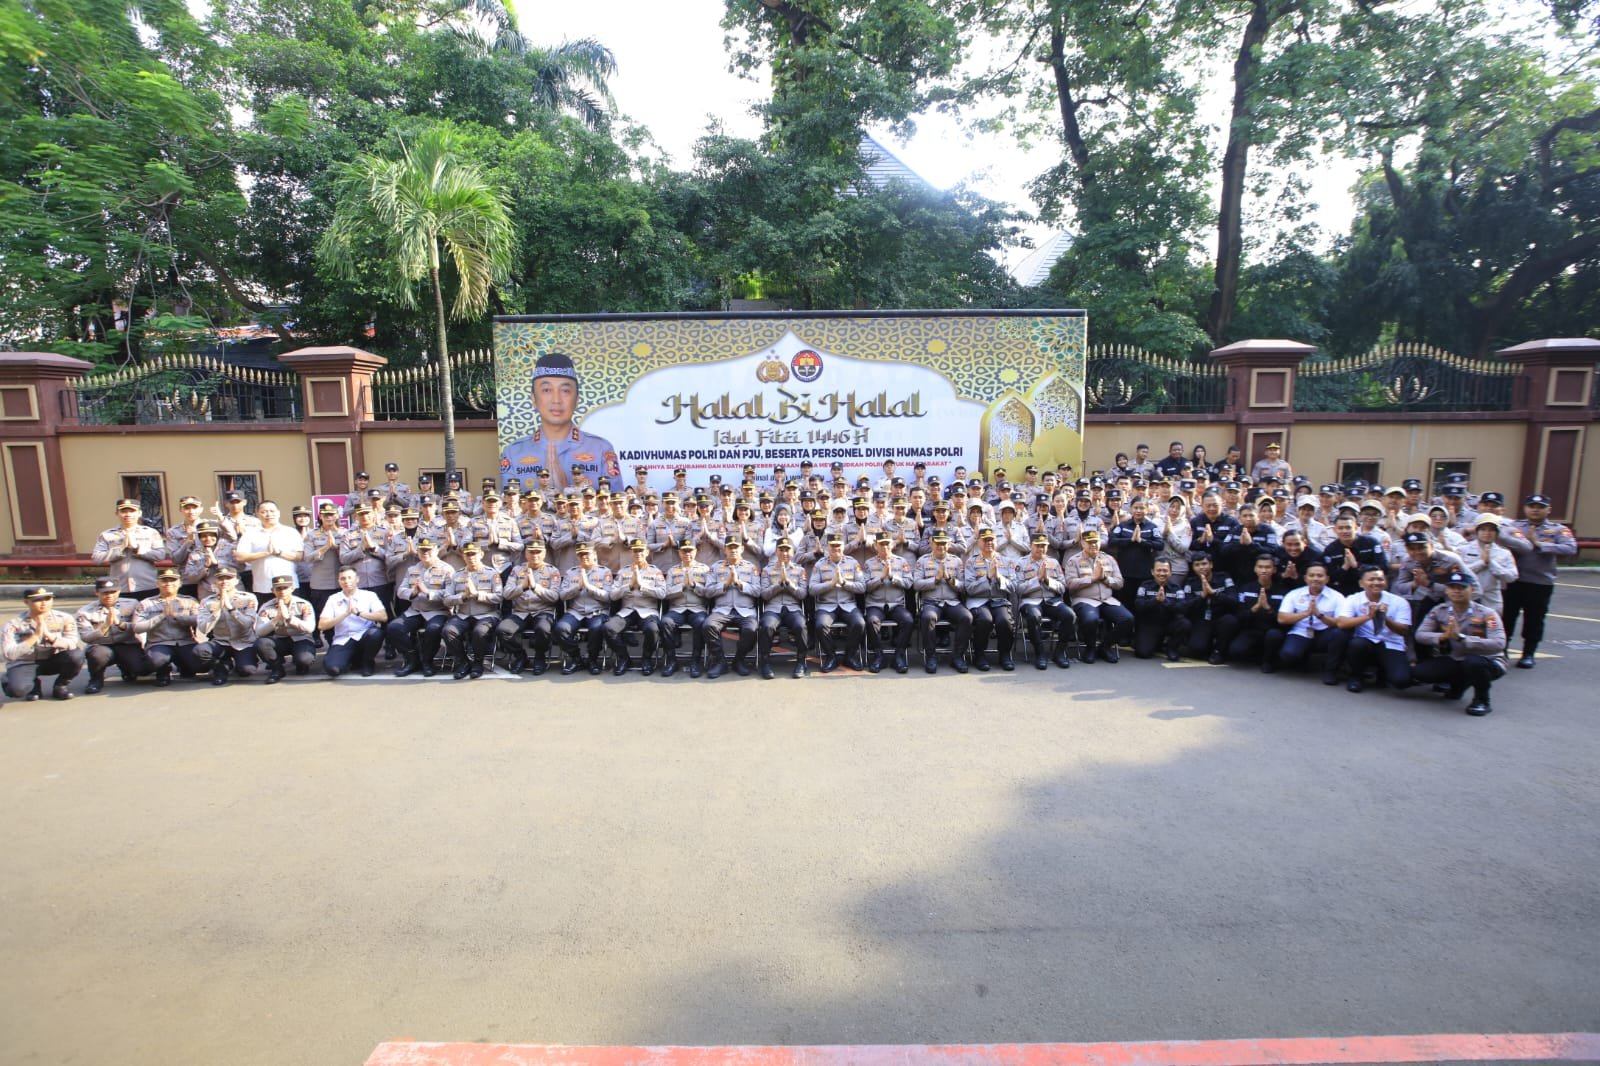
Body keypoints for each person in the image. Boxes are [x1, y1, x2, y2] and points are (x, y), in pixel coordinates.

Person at [499, 352, 619, 493]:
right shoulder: (513, 453)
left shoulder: (601, 449)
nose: (556, 400)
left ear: (577, 399)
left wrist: (567, 491)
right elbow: (508, 504)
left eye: (565, 391)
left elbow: (617, 501)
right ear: (533, 399)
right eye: (546, 390)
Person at [1414, 572, 1507, 716]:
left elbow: (1499, 643)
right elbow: (1420, 634)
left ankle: (1482, 700)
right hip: (1456, 658)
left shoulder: (1487, 614)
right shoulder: (1440, 610)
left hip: (1488, 661)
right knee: (1420, 672)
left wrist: (1462, 638)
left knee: (1473, 663)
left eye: (1462, 587)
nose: (1456, 591)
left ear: (1472, 589)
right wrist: (1443, 636)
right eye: (1452, 587)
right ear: (1446, 590)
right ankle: (1459, 684)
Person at [1500, 493, 1576, 668]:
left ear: (1548, 510)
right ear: (1525, 508)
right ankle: (1502, 651)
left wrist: (1540, 544)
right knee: (1507, 617)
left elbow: (1570, 548)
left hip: (1540, 582)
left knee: (1534, 619)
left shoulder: (1558, 530)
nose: (1535, 510)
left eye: (1540, 507)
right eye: (1531, 506)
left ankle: (1528, 653)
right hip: (1514, 580)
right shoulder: (1514, 526)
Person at [1329, 565, 1412, 692]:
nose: (1376, 583)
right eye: (1371, 579)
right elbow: (1341, 623)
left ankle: (1383, 672)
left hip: (1390, 644)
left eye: (1380, 579)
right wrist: (1369, 616)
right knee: (1356, 644)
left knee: (1401, 681)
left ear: (1386, 582)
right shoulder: (1353, 599)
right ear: (1361, 583)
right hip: (1365, 641)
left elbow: (1404, 630)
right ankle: (1356, 676)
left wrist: (1384, 618)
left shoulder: (1399, 602)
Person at [387, 538, 454, 677]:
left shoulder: (446, 569)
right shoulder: (413, 569)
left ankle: (427, 661)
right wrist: (413, 592)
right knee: (393, 628)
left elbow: (450, 594)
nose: (425, 553)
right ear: (417, 552)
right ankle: (412, 659)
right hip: (415, 610)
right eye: (422, 550)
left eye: (428, 550)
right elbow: (400, 591)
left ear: (436, 550)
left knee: (433, 630)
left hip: (437, 611)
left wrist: (428, 592)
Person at [3, 588, 84, 700]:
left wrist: (50, 636)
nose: (44, 603)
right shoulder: (14, 624)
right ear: (26, 602)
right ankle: (28, 684)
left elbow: (72, 643)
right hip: (25, 662)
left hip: (52, 659)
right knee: (16, 690)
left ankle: (60, 685)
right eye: (37, 600)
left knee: (76, 655)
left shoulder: (64, 618)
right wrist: (35, 636)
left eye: (47, 598)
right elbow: (9, 654)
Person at [1065, 529, 1131, 663]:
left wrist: (1105, 579)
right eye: (1089, 542)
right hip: (1084, 600)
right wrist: (1092, 579)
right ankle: (1090, 648)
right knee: (1090, 620)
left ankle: (1105, 647)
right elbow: (1070, 584)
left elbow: (1119, 583)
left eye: (1095, 542)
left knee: (1127, 619)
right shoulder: (1073, 561)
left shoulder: (1109, 559)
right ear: (1083, 543)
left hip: (1107, 600)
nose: (1093, 545)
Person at [498, 542, 564, 675]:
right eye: (531, 552)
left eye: (538, 552)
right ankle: (521, 657)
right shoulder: (517, 570)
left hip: (543, 611)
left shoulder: (552, 571)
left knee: (543, 629)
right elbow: (506, 594)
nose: (535, 555)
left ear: (544, 554)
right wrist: (522, 587)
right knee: (502, 630)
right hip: (520, 612)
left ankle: (540, 657)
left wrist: (535, 587)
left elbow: (554, 597)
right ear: (526, 554)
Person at [603, 538, 666, 676]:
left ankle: (646, 659)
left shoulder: (655, 572)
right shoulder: (623, 571)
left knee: (652, 630)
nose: (638, 553)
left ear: (647, 552)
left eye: (641, 550)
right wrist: (629, 586)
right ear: (631, 552)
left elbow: (662, 594)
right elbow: (612, 595)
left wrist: (642, 586)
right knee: (609, 628)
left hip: (648, 611)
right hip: (627, 611)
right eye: (635, 551)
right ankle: (624, 658)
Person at [76, 577, 151, 692]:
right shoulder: (85, 611)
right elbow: (86, 637)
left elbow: (140, 627)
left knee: (142, 670)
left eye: (112, 592)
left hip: (127, 643)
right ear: (97, 592)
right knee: (97, 655)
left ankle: (126, 668)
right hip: (101, 645)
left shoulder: (132, 604)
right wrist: (105, 626)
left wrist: (120, 624)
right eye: (105, 593)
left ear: (119, 591)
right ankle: (96, 679)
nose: (109, 595)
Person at [133, 568, 205, 686]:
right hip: (159, 643)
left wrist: (178, 617)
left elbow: (200, 621)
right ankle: (163, 671)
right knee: (156, 661)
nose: (168, 583)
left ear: (180, 583)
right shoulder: (146, 603)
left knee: (202, 665)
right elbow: (137, 627)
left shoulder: (189, 601)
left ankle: (185, 666)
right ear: (157, 583)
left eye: (172, 580)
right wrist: (161, 616)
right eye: (164, 581)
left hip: (185, 642)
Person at [441, 542, 503, 679]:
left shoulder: (492, 574)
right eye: (468, 554)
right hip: (463, 615)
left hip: (486, 614)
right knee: (448, 630)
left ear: (481, 554)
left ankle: (478, 662)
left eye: (474, 554)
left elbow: (499, 597)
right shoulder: (457, 575)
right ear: (463, 556)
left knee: (479, 632)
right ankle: (463, 662)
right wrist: (462, 597)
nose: (471, 557)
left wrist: (477, 594)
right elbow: (446, 599)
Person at [1014, 532, 1075, 669]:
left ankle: (1059, 652)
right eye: (1037, 545)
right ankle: (1039, 653)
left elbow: (1062, 587)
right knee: (1033, 616)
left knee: (1069, 615)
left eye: (1043, 546)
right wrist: (1037, 579)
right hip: (1030, 601)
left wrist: (1047, 580)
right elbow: (1018, 589)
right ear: (1031, 546)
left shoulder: (1054, 562)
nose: (1041, 548)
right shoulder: (1021, 563)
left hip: (1052, 600)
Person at [703, 536, 761, 678]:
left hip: (745, 611)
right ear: (724, 550)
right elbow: (707, 592)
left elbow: (758, 591)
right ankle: (720, 661)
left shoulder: (751, 567)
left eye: (736, 547)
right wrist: (726, 584)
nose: (733, 550)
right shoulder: (716, 567)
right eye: (730, 547)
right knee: (708, 626)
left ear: (742, 549)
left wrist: (739, 583)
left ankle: (739, 660)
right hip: (722, 610)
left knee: (751, 630)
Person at [914, 531, 971, 673]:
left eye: (944, 543)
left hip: (952, 602)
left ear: (949, 544)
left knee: (966, 617)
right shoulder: (922, 560)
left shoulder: (957, 561)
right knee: (928, 618)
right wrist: (936, 580)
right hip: (931, 602)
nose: (941, 546)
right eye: (937, 543)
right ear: (931, 543)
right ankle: (931, 656)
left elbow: (964, 586)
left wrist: (950, 580)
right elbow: (916, 584)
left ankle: (958, 657)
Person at [195, 567, 262, 685]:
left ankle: (244, 661)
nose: (224, 581)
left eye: (229, 578)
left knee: (246, 670)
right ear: (216, 582)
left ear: (236, 580)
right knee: (200, 650)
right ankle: (221, 668)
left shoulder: (248, 598)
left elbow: (247, 624)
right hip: (221, 642)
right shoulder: (207, 602)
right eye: (221, 578)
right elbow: (203, 629)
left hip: (243, 642)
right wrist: (217, 611)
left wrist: (231, 609)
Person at [553, 543, 613, 675]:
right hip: (576, 611)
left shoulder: (605, 572)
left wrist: (589, 587)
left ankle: (592, 659)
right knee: (560, 629)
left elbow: (608, 597)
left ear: (594, 555)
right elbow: (562, 596)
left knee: (596, 629)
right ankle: (576, 658)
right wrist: (578, 587)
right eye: (580, 554)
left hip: (597, 611)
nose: (583, 556)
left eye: (587, 554)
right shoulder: (570, 573)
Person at [1274, 562, 1342, 679]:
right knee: (1288, 655)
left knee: (1340, 634)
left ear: (1327, 579)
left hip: (1324, 633)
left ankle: (1330, 671)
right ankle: (1302, 658)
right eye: (1312, 575)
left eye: (1320, 576)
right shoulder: (1294, 594)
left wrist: (1319, 615)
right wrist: (1306, 613)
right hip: (1301, 632)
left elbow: (1340, 622)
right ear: (1305, 578)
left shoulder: (1337, 597)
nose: (1315, 578)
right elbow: (1282, 618)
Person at [810, 532, 866, 672]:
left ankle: (850, 656)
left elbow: (862, 587)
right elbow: (812, 589)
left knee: (859, 623)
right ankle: (831, 657)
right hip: (826, 606)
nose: (836, 549)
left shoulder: (853, 563)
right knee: (821, 625)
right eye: (833, 546)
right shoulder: (820, 564)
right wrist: (830, 584)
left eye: (838, 546)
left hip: (848, 604)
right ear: (827, 547)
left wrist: (844, 583)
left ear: (843, 546)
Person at [319, 566, 388, 678]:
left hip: (364, 635)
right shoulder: (333, 599)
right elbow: (322, 625)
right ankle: (353, 660)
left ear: (357, 579)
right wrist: (345, 614)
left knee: (375, 634)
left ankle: (368, 662)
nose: (346, 581)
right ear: (339, 581)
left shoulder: (369, 595)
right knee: (332, 669)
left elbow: (383, 616)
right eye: (343, 579)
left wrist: (359, 613)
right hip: (343, 639)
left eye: (350, 577)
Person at [962, 528, 1016, 671]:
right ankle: (979, 655)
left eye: (991, 540)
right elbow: (969, 588)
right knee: (985, 620)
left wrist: (998, 577)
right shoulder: (971, 562)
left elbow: (1013, 586)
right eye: (985, 540)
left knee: (1004, 621)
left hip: (999, 600)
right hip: (978, 600)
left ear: (996, 541)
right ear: (979, 542)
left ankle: (1005, 654)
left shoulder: (1006, 561)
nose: (989, 543)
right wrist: (987, 578)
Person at [862, 531, 915, 674]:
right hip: (875, 604)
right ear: (876, 546)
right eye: (881, 544)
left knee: (908, 620)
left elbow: (909, 583)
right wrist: (880, 578)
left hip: (896, 604)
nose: (884, 547)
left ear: (892, 545)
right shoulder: (868, 563)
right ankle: (879, 655)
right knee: (871, 621)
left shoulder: (901, 562)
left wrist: (892, 577)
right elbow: (865, 587)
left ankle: (899, 655)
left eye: (887, 544)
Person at [92, 498, 167, 598]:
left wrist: (137, 549)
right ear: (117, 513)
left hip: (147, 586)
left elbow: (160, 555)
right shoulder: (107, 535)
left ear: (139, 513)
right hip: (120, 587)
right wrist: (121, 548)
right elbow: (97, 558)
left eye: (132, 511)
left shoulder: (150, 532)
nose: (128, 515)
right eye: (123, 511)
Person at [757, 537, 809, 679]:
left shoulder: (800, 570)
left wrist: (790, 584)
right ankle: (765, 662)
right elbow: (764, 595)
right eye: (781, 550)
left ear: (793, 552)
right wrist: (778, 585)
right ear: (776, 551)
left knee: (800, 626)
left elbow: (803, 594)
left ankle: (801, 661)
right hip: (773, 608)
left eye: (787, 550)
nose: (784, 553)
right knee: (766, 626)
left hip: (793, 608)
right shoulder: (767, 570)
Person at [661, 539, 712, 678]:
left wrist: (695, 585)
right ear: (679, 552)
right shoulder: (673, 570)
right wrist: (681, 586)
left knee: (701, 623)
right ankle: (671, 660)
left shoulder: (704, 569)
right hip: (677, 609)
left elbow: (709, 593)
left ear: (695, 552)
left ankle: (695, 661)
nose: (687, 553)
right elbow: (666, 594)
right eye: (684, 551)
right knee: (665, 622)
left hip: (697, 608)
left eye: (690, 550)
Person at [253, 574, 317, 682]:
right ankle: (277, 669)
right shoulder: (266, 607)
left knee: (304, 660)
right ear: (273, 590)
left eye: (285, 588)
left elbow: (310, 628)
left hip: (301, 638)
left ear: (292, 588)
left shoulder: (303, 604)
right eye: (278, 588)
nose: (282, 591)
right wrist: (276, 619)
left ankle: (300, 664)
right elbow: (259, 631)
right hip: (280, 639)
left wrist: (289, 618)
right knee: (261, 643)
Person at [234, 501, 305, 593]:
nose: (268, 514)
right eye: (264, 512)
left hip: (288, 586)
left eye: (272, 511)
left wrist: (279, 553)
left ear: (278, 513)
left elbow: (299, 557)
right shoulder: (250, 534)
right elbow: (240, 557)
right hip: (263, 587)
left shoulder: (290, 532)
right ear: (257, 514)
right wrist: (265, 553)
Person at [1456, 513, 1519, 613]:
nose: (1487, 533)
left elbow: (1512, 577)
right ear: (1477, 531)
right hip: (1468, 597)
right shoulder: (1462, 549)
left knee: (1492, 622)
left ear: (1497, 533)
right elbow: (1458, 573)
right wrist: (1481, 563)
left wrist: (1491, 563)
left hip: (1491, 599)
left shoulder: (1504, 553)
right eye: (1483, 529)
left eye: (1491, 530)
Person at [1180, 552, 1234, 663]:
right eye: (1197, 565)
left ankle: (1219, 652)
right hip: (1202, 620)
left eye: (1204, 564)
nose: (1201, 567)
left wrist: (1214, 594)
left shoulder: (1224, 578)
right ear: (1193, 567)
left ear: (1211, 565)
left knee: (1230, 620)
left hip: (1221, 617)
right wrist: (1202, 596)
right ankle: (1208, 647)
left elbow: (1234, 600)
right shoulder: (1190, 582)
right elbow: (1185, 606)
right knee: (1196, 648)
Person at [1133, 559, 1191, 661]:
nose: (1162, 573)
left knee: (1184, 624)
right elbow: (1139, 606)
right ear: (1152, 572)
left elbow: (1182, 608)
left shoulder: (1177, 588)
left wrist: (1165, 601)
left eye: (1165, 570)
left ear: (1170, 572)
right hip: (1149, 624)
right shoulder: (1145, 586)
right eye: (1159, 570)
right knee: (1142, 653)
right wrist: (1155, 600)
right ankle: (1156, 643)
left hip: (1169, 622)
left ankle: (1171, 648)